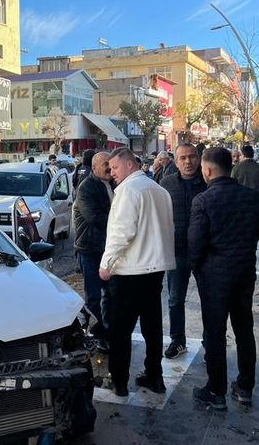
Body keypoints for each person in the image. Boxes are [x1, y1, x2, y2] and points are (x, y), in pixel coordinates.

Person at [189, 147, 259, 410]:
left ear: (208, 170)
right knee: (245, 330)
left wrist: (197, 269)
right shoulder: (252, 198)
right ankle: (245, 387)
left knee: (215, 333)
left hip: (214, 278)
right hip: (244, 273)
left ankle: (216, 391)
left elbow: (195, 244)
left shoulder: (203, 200)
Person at [99, 148, 175, 397]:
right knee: (152, 328)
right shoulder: (160, 190)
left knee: (120, 331)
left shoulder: (130, 190)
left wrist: (106, 264)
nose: (112, 174)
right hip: (155, 270)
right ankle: (155, 376)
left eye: (116, 168)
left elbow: (122, 232)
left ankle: (119, 381)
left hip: (130, 272)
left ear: (130, 165)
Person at [158, 144, 206, 359]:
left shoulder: (208, 182)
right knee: (175, 299)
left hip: (206, 253)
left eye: (192, 157)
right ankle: (178, 341)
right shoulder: (166, 184)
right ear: (176, 162)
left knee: (210, 300)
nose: (188, 162)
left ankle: (211, 343)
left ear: (199, 159)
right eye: (183, 158)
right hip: (177, 251)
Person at [74, 152, 114, 350]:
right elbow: (95, 217)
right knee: (93, 297)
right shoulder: (86, 188)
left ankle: (107, 333)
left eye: (111, 164)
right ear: (94, 167)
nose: (110, 167)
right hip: (90, 249)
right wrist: (123, 220)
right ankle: (96, 335)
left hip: (108, 249)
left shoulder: (114, 184)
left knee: (110, 294)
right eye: (106, 164)